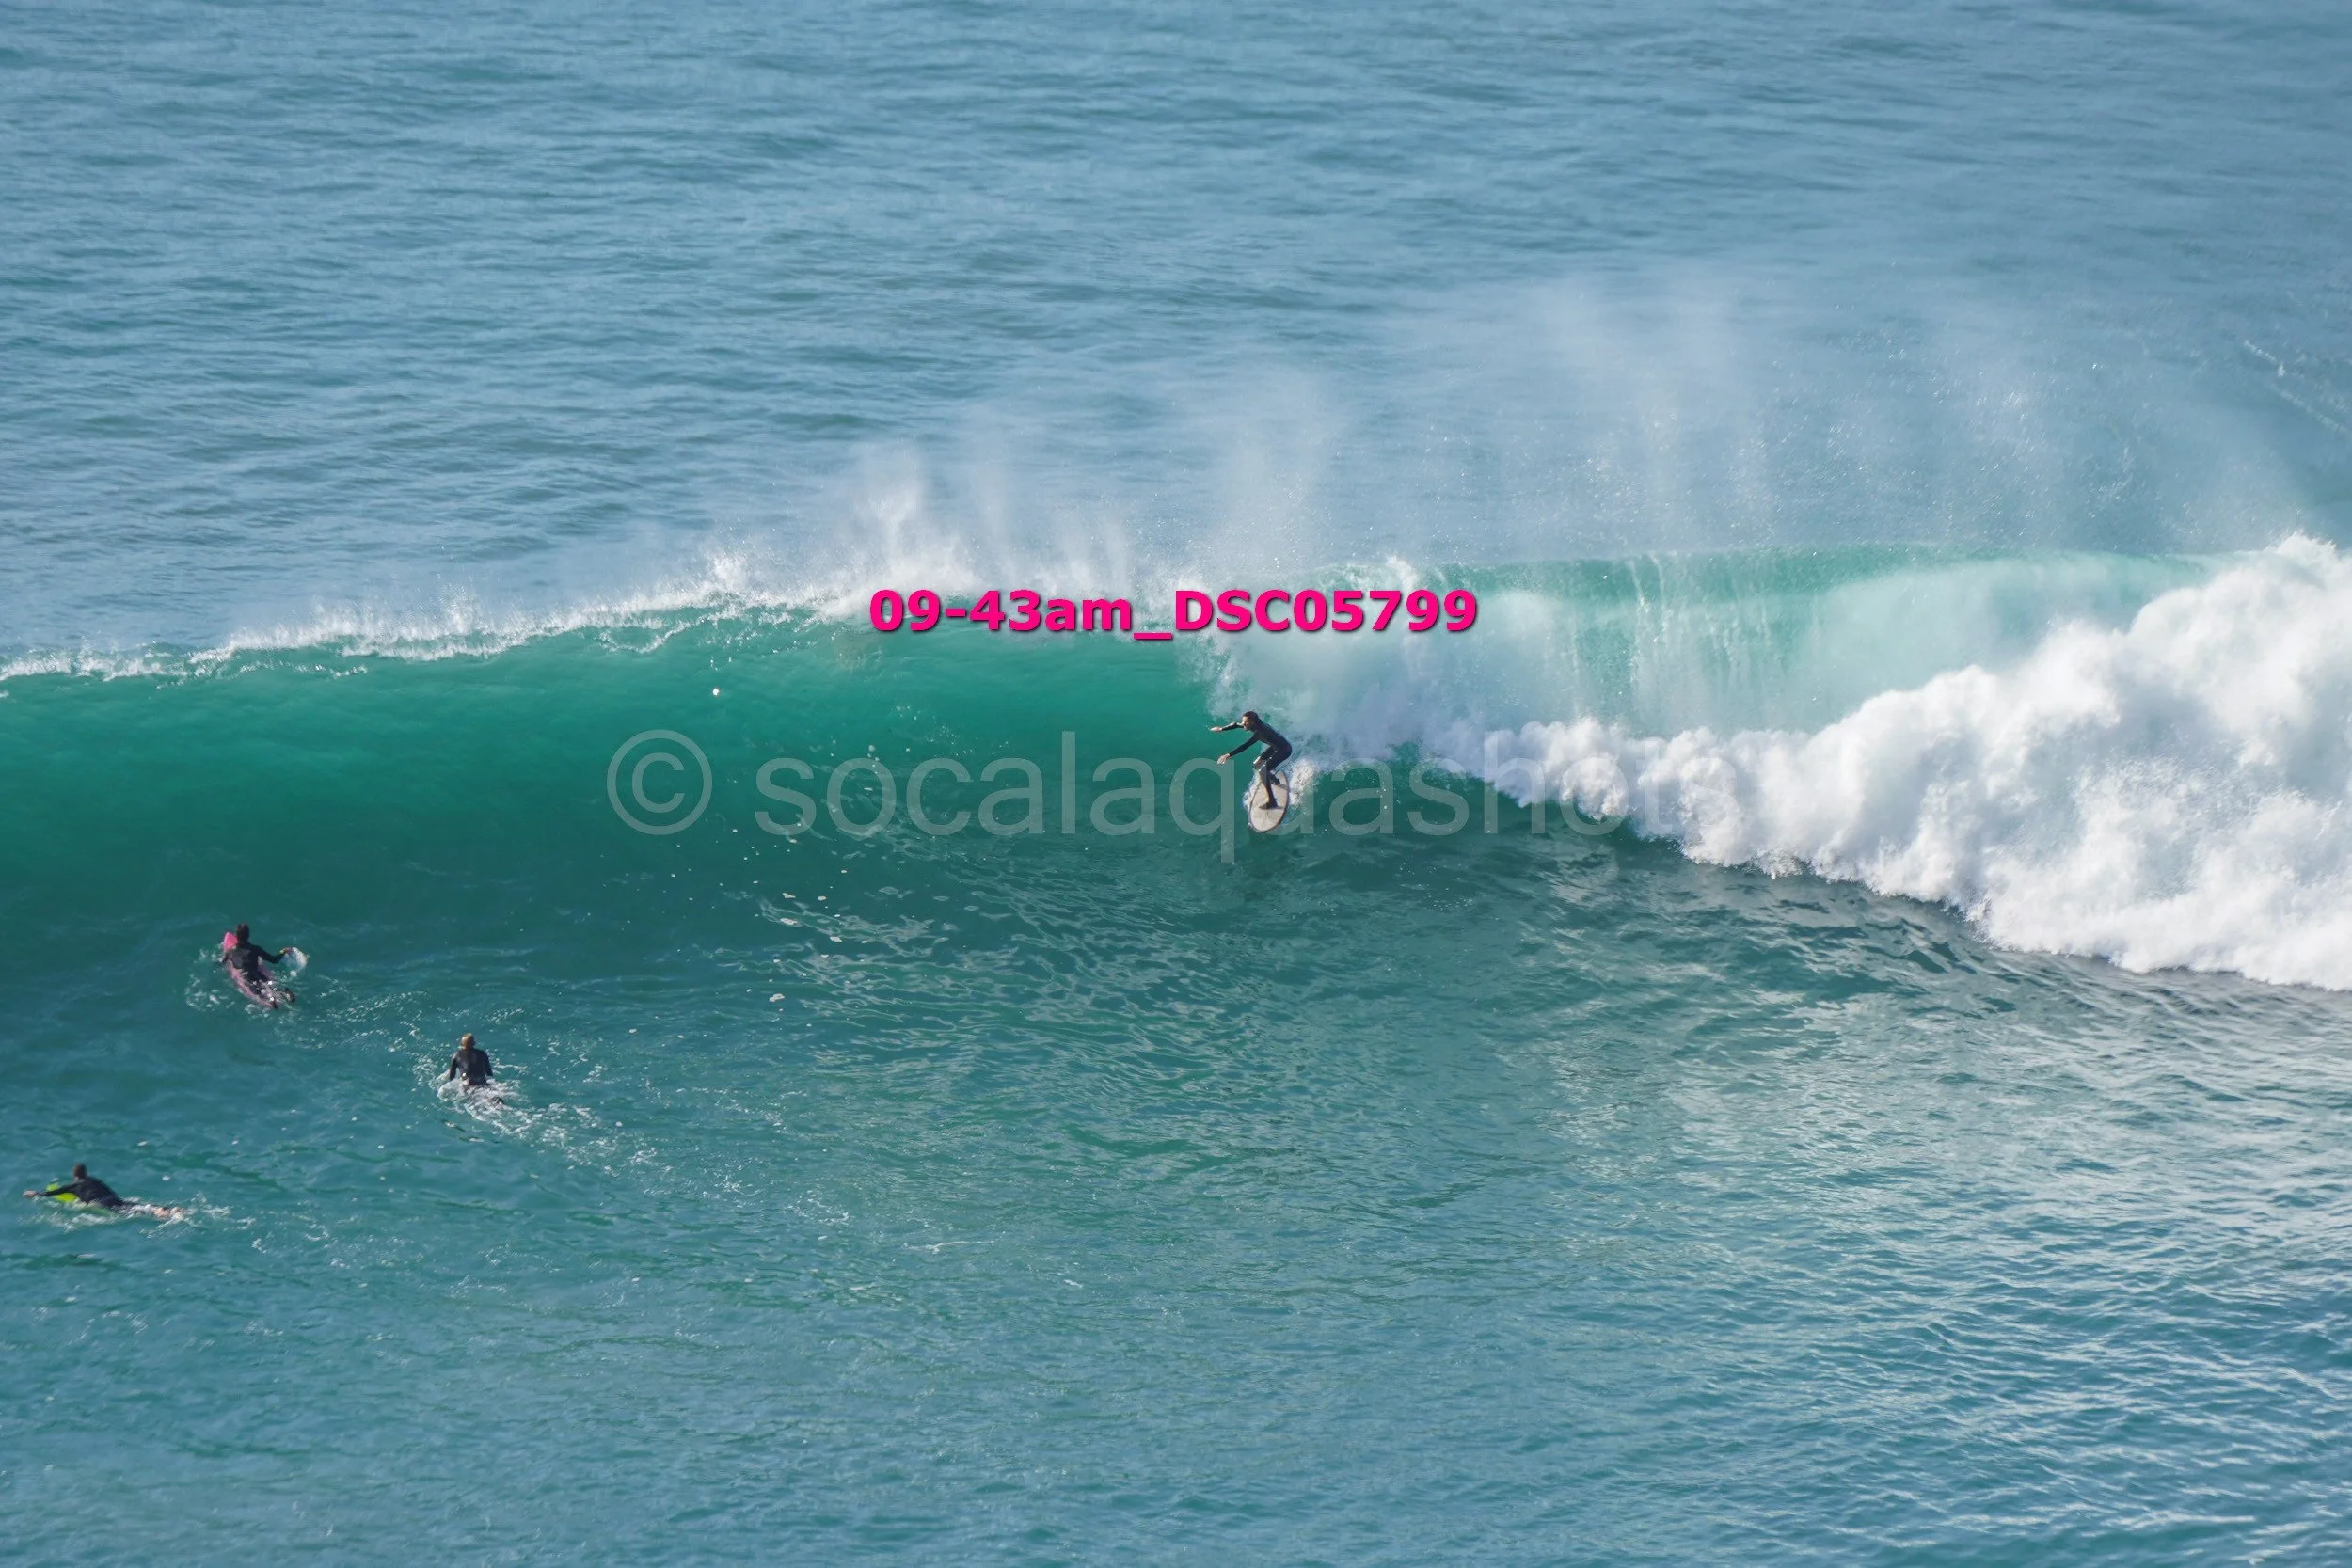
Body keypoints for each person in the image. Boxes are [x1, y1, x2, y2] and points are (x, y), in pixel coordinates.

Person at [1211, 711, 1293, 809]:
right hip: (1275, 746)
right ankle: (1273, 779)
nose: (1243, 724)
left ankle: (1272, 802)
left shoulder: (1260, 732)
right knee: (1257, 764)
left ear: (1252, 722)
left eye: (1246, 722)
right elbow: (1236, 725)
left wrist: (1228, 755)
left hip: (1284, 750)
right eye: (1243, 721)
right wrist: (1221, 729)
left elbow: (1245, 746)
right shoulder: (1254, 724)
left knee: (1263, 771)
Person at [221, 924, 292, 1002]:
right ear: (248, 936)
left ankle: (271, 1000)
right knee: (271, 986)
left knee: (259, 993)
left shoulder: (229, 952)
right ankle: (285, 993)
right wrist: (283, 952)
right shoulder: (255, 949)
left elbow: (223, 963)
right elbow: (274, 960)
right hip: (256, 972)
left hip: (245, 976)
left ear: (236, 935)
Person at [27, 1164, 125, 1210]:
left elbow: (51, 1193)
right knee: (132, 1209)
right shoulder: (94, 1180)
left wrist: (36, 1193)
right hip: (113, 1198)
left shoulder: (73, 1186)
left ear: (74, 1175)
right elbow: (110, 1191)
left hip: (100, 1202)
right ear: (86, 1173)